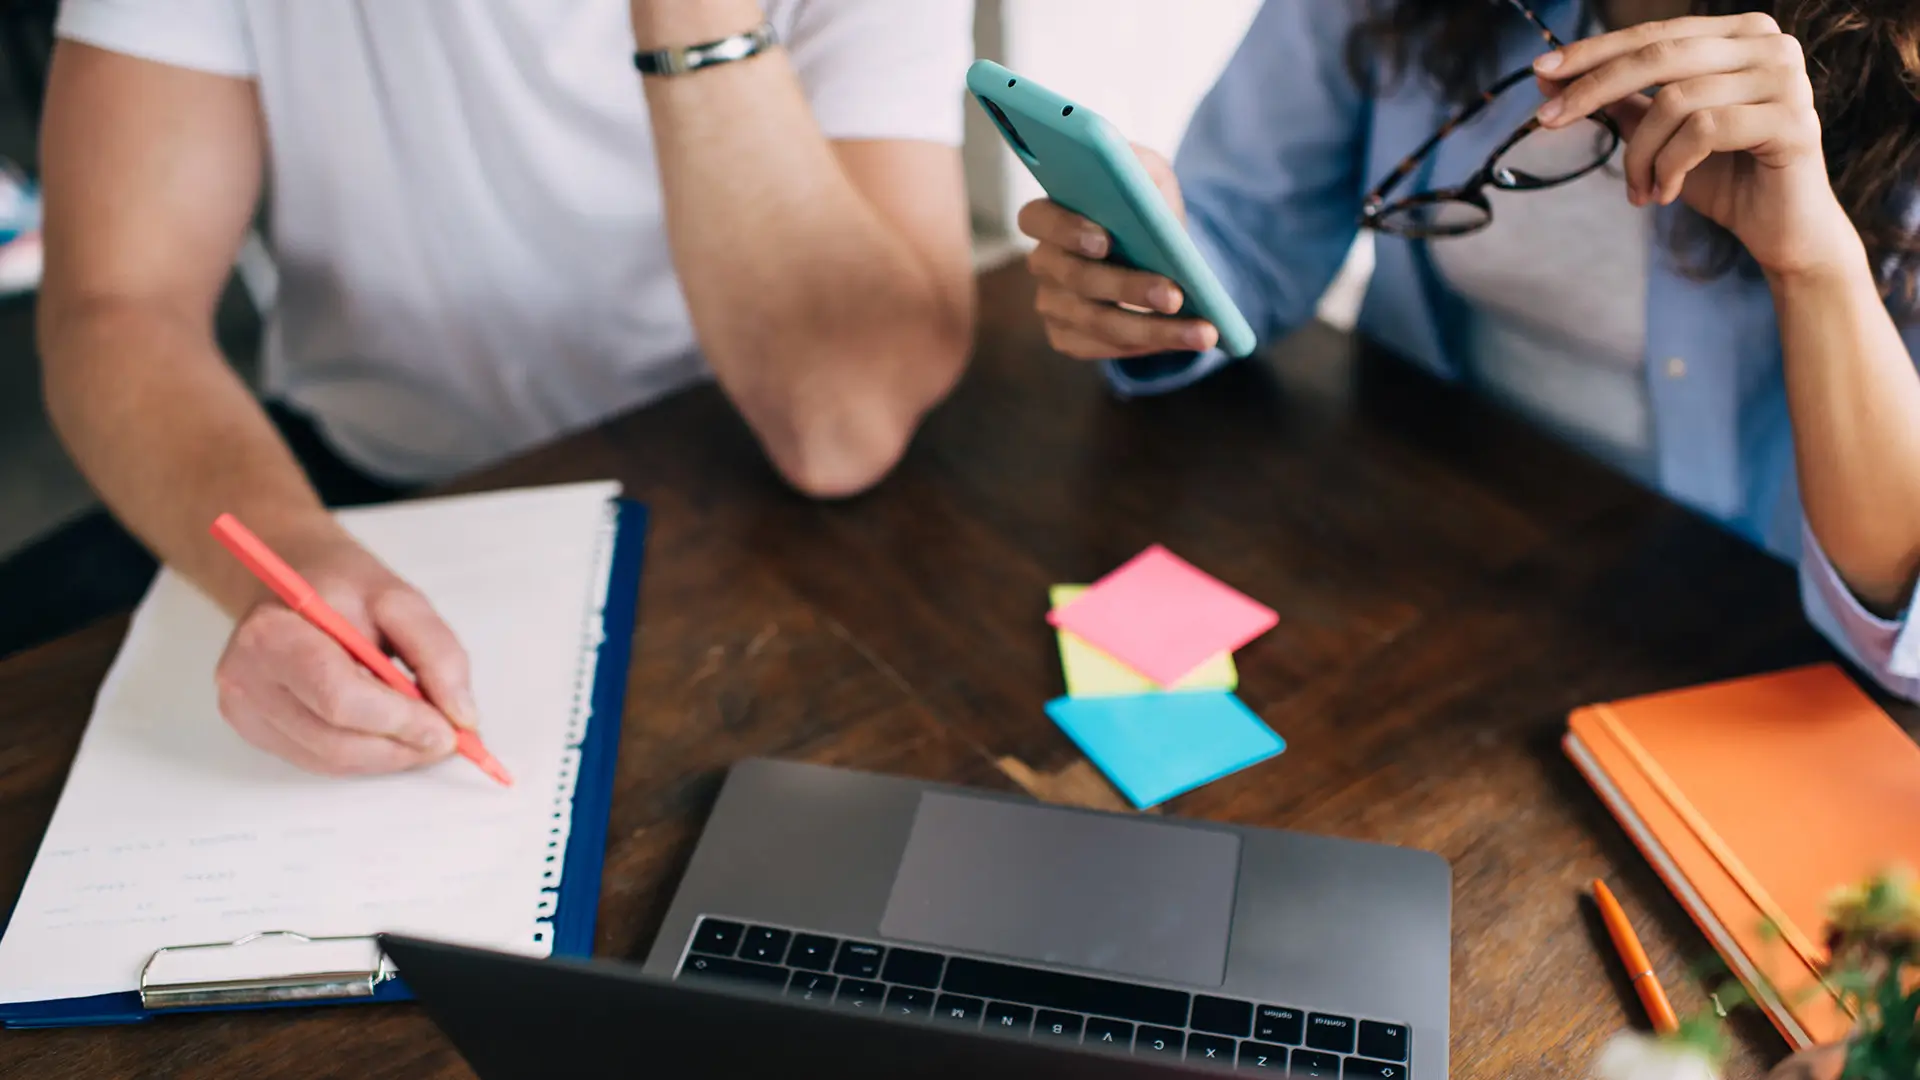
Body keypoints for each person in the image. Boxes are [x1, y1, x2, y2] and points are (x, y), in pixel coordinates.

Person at [4, 0, 976, 773]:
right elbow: (117, 305)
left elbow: (838, 428)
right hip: (364, 487)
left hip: (738, 488)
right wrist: (287, 558)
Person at [1019, 0, 1920, 701]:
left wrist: (1815, 265)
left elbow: (1906, 613)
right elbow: (1245, 235)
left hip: (1742, 664)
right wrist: (1145, 273)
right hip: (1414, 564)